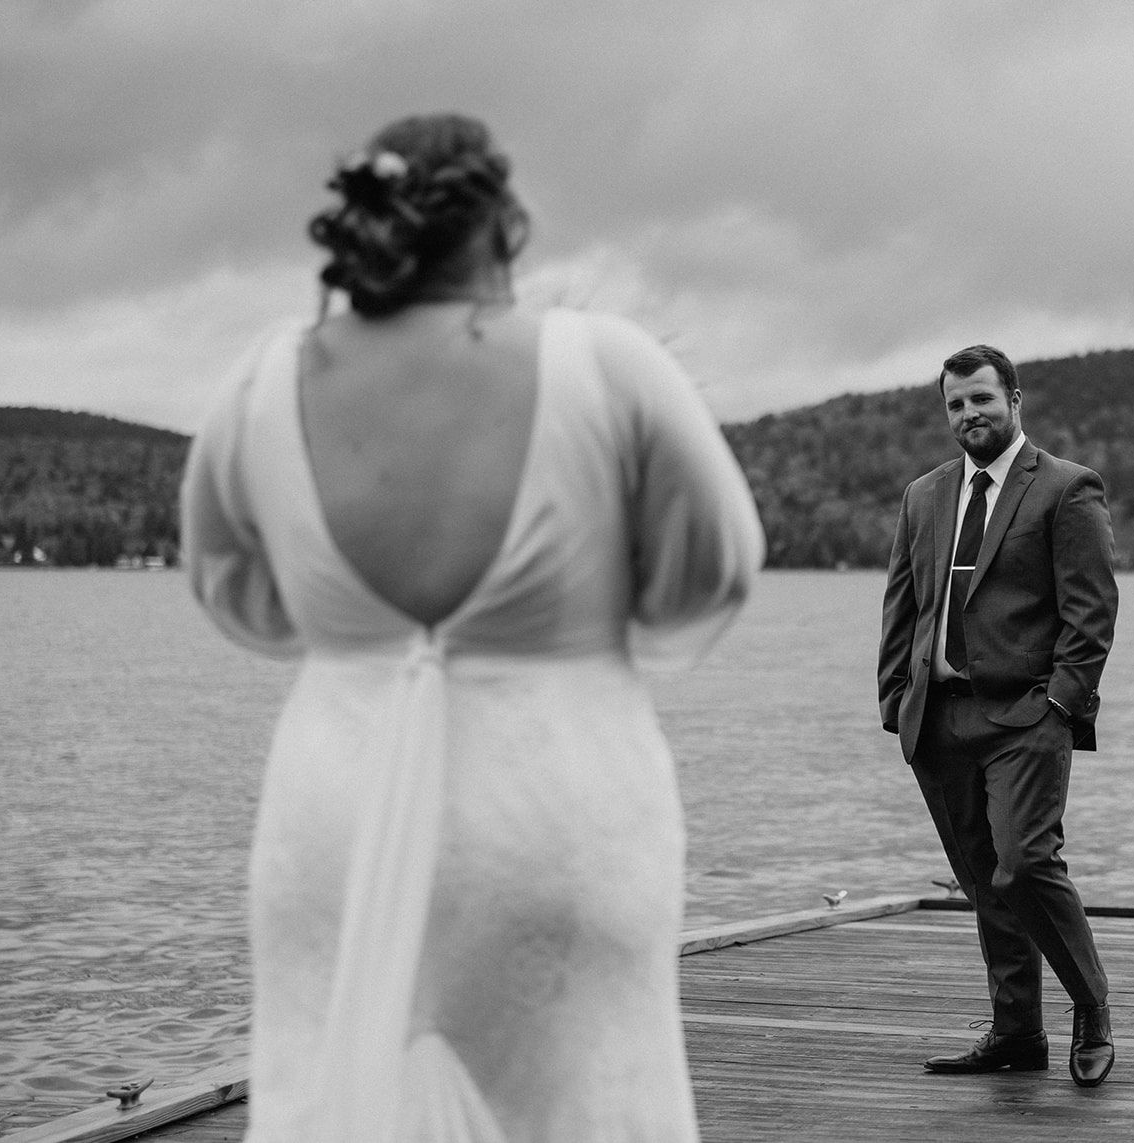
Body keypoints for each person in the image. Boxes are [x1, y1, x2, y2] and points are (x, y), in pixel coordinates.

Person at [182, 113, 763, 1142]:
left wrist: (367, 646)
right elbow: (713, 570)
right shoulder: (609, 365)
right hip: (555, 814)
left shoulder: (260, 381)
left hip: (335, 819)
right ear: (506, 226)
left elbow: (241, 598)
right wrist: (569, 611)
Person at [877, 344, 1117, 1087]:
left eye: (981, 398)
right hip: (939, 719)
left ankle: (1092, 1007)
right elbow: (903, 603)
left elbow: (1093, 612)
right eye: (955, 403)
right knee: (984, 879)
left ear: (1015, 398)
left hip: (1026, 716)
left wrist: (1059, 707)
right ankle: (1016, 1032)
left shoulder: (1067, 489)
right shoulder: (924, 495)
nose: (968, 414)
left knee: (1024, 864)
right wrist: (895, 700)